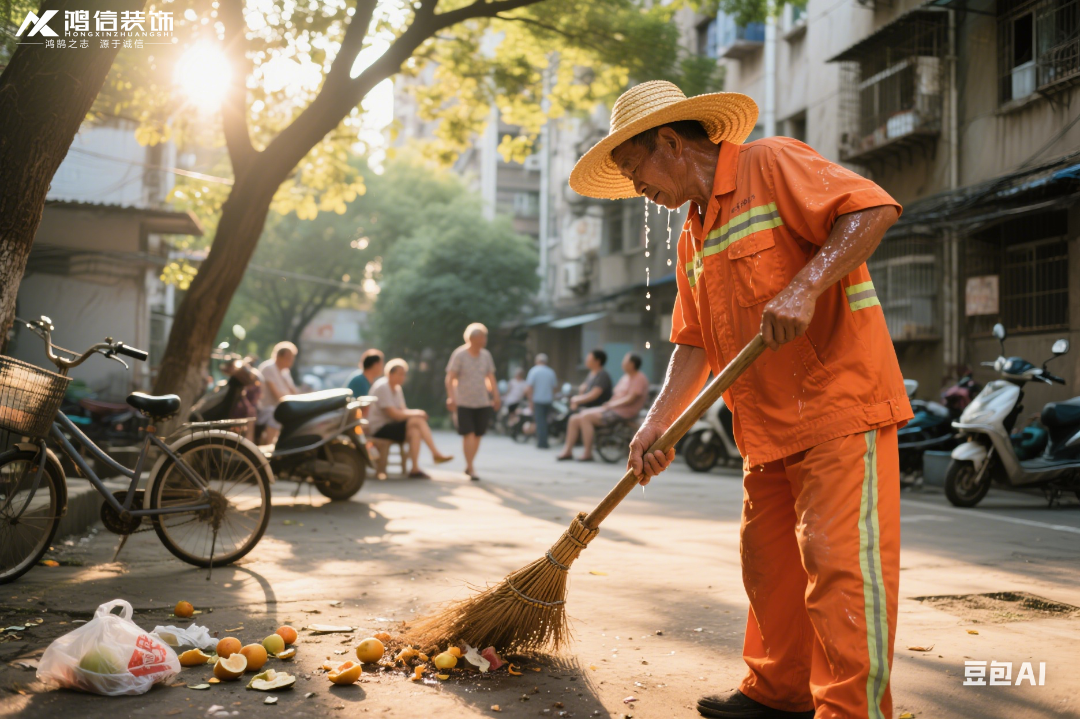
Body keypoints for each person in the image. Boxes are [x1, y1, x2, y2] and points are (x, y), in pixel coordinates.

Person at [568, 81, 911, 719]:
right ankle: (779, 694)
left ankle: (851, 712)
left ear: (670, 143)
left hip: (838, 406)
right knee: (769, 568)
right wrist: (656, 422)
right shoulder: (692, 233)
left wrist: (806, 285)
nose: (635, 187)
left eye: (634, 167)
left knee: (840, 568)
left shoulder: (771, 163)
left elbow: (871, 209)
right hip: (764, 427)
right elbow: (693, 342)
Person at [368, 359, 453, 479]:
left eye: (404, 374)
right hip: (380, 428)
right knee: (417, 420)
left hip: (392, 426)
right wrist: (417, 413)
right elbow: (394, 414)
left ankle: (414, 468)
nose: (403, 377)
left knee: (415, 431)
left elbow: (403, 411)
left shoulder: (397, 389)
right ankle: (435, 453)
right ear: (390, 374)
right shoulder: (383, 387)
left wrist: (414, 413)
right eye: (400, 374)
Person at [557, 353, 648, 462]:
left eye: (625, 361)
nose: (622, 363)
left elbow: (631, 398)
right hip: (611, 408)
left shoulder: (639, 378)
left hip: (622, 412)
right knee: (574, 419)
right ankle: (567, 451)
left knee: (585, 417)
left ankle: (587, 452)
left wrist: (613, 404)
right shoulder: (624, 377)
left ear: (632, 364)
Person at [445, 323, 501, 481]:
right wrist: (451, 397)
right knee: (468, 434)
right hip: (463, 402)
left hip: (482, 401)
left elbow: (490, 378)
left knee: (477, 434)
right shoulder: (460, 354)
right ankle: (470, 467)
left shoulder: (486, 355)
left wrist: (496, 396)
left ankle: (470, 464)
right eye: (482, 337)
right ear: (472, 338)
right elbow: (450, 378)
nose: (484, 340)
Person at [256, 341, 300, 445]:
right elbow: (277, 395)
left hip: (281, 406)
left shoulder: (285, 372)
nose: (291, 361)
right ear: (279, 356)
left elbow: (294, 392)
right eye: (289, 358)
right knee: (275, 414)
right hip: (265, 408)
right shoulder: (268, 368)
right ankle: (269, 445)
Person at [524, 353, 558, 449]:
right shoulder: (551, 372)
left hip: (538, 400)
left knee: (540, 422)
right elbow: (554, 388)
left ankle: (542, 442)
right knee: (546, 421)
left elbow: (529, 388)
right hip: (548, 400)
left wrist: (530, 401)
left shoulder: (533, 371)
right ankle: (544, 440)